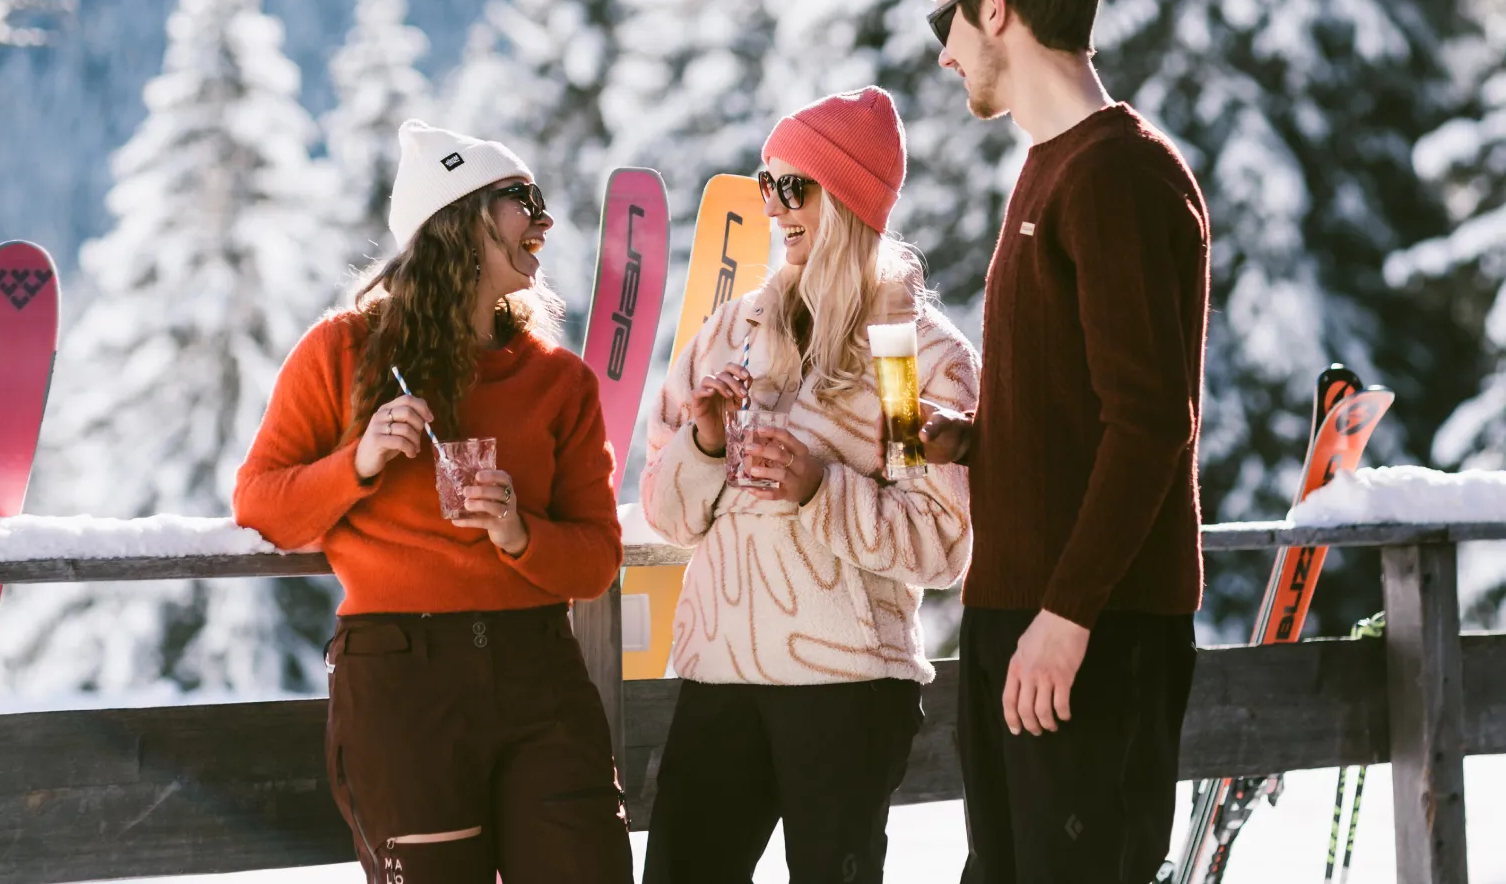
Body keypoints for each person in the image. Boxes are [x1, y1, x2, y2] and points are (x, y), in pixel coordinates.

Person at [233, 119, 632, 884]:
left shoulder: (560, 381)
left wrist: (520, 533)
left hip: (539, 673)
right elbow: (260, 504)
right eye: (524, 200)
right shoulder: (343, 354)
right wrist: (361, 461)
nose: (544, 221)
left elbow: (597, 561)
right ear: (458, 222)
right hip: (401, 682)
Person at [913, 0, 1212, 884]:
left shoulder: (1117, 173)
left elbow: (1148, 423)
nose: (944, 53)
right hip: (1020, 620)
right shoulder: (1048, 172)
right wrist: (968, 435)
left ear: (995, 7)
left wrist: (1070, 615)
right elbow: (1075, 415)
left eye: (943, 22)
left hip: (1089, 634)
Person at [638, 87, 979, 884]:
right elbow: (663, 511)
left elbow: (940, 543)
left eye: (797, 186)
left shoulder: (906, 355)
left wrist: (821, 490)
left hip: (846, 686)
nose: (775, 206)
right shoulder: (730, 331)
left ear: (853, 198)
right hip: (719, 676)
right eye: (767, 185)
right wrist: (705, 440)